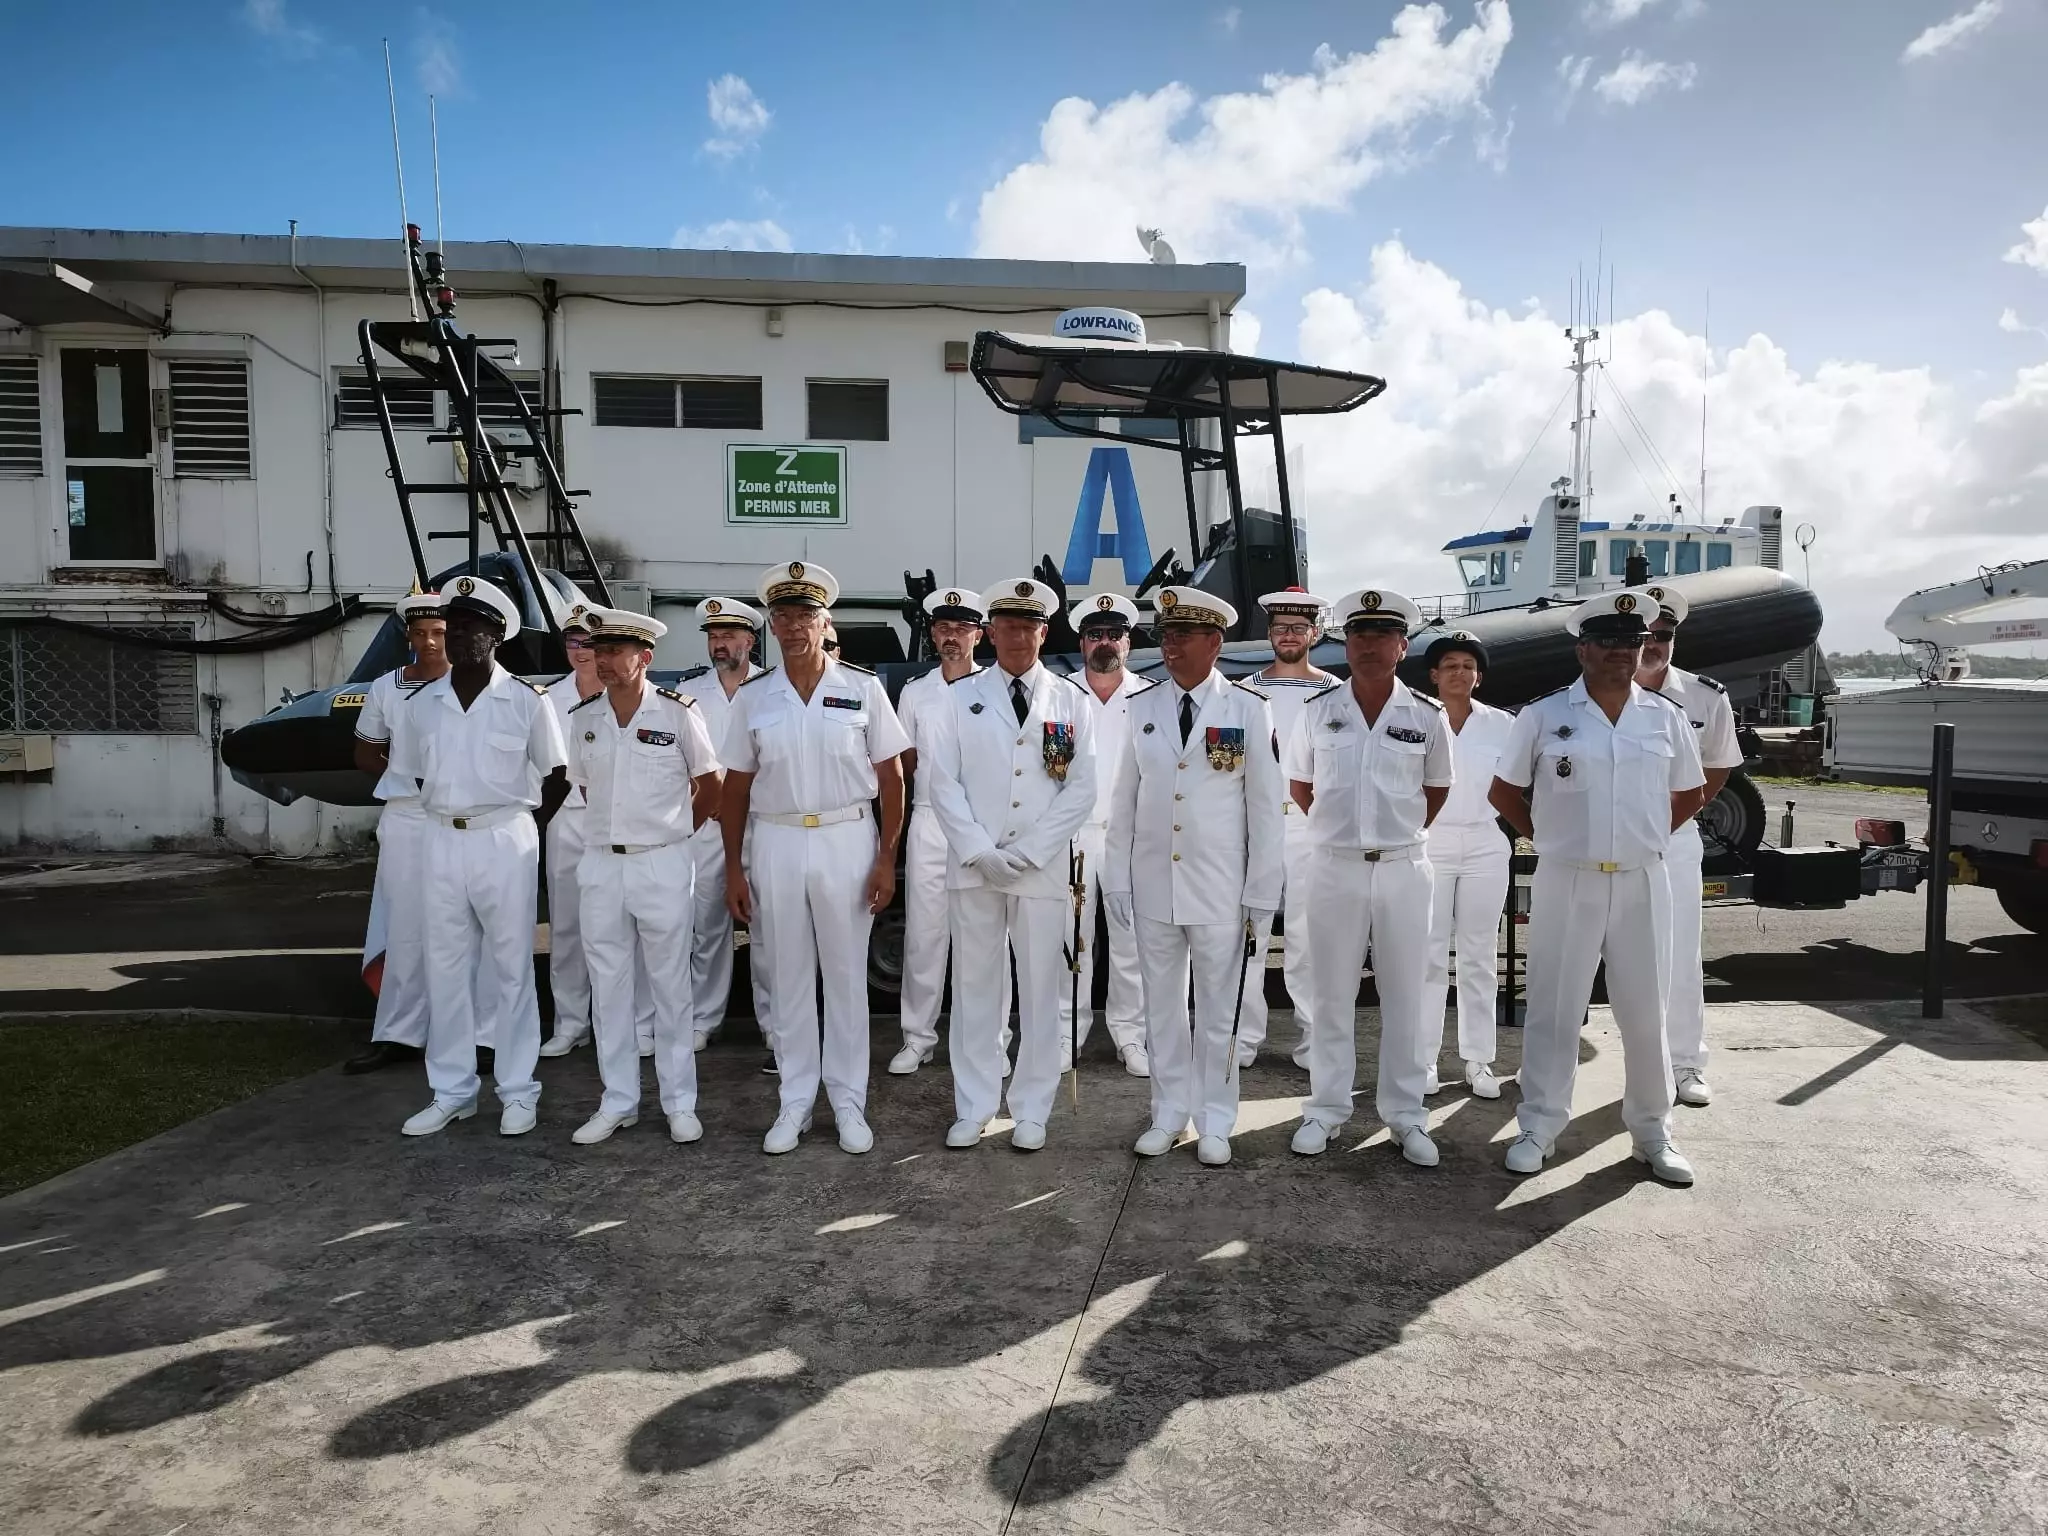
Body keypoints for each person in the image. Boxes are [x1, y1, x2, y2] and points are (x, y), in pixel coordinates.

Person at [1488, 589, 1708, 1186]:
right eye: (1608, 642)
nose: (1621, 653)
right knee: (1555, 1012)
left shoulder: (1664, 718)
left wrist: (1644, 836)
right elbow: (1503, 792)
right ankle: (1538, 1124)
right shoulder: (1544, 715)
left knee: (1646, 1011)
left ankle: (1652, 1130)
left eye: (1632, 643)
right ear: (1583, 648)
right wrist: (1551, 838)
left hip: (1642, 879)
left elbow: (1691, 792)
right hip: (1567, 879)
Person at [721, 562, 908, 1155]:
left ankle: (849, 1099)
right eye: (783, 615)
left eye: (806, 614)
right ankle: (795, 1100)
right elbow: (735, 787)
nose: (794, 625)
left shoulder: (862, 688)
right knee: (788, 973)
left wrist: (886, 856)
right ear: (771, 627)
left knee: (848, 975)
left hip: (845, 836)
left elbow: (893, 775)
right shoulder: (754, 697)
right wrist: (733, 866)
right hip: (775, 840)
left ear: (825, 622)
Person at [1103, 587, 1282, 1167]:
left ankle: (1215, 1119)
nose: (1170, 646)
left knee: (1217, 1012)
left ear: (1215, 642)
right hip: (1155, 884)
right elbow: (1125, 800)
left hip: (1220, 890)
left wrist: (1261, 890)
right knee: (1162, 1011)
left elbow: (1265, 809)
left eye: (1183, 636)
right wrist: (1117, 878)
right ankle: (1167, 1113)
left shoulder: (1249, 710)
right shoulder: (1143, 706)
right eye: (1166, 635)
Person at [389, 574, 569, 1138]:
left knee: (511, 969)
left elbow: (557, 777)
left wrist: (521, 826)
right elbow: (418, 770)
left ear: (498, 636)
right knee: (445, 967)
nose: (458, 636)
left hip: (504, 838)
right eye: (452, 626)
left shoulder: (525, 701)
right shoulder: (424, 705)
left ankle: (518, 1091)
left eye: (471, 628)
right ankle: (452, 1090)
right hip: (441, 837)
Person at [923, 578, 1097, 1152]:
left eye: (1028, 626)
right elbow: (942, 783)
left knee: (1041, 990)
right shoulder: (956, 698)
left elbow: (1080, 789)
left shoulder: (1072, 700)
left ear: (1044, 632)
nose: (1017, 636)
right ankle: (973, 1106)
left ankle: (1031, 1109)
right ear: (990, 632)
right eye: (1007, 626)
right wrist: (978, 850)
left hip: (1039, 869)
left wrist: (1027, 852)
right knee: (974, 990)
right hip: (975, 867)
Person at [1284, 589, 1453, 1169]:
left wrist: (1391, 835)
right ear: (1345, 645)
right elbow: (1301, 784)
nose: (1368, 646)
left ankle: (1405, 1114)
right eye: (1358, 636)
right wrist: (1345, 834)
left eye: (1381, 636)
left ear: (1402, 646)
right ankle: (1326, 1109)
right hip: (1334, 867)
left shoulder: (1426, 717)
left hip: (1404, 868)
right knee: (1332, 993)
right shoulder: (1317, 711)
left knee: (1406, 994)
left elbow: (1436, 792)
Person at [567, 608, 723, 1146]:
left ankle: (680, 1102)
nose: (604, 660)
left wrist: (675, 832)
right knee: (608, 988)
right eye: (600, 650)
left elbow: (711, 783)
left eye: (616, 651)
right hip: (602, 862)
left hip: (661, 860)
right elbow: (587, 788)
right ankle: (618, 1100)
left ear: (645, 657)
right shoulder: (584, 718)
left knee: (670, 987)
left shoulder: (678, 713)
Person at [1634, 583, 1742, 1109]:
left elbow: (1719, 762)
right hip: (1607, 840)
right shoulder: (1593, 690)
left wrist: (1682, 813)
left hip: (1673, 840)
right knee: (1593, 953)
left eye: (1664, 635)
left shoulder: (1705, 697)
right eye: (1645, 634)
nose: (1654, 643)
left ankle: (1684, 1063)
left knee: (1679, 952)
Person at [346, 588, 447, 1074]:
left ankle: (461, 1032)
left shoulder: (476, 685)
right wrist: (404, 770)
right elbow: (365, 753)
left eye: (440, 633)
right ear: (408, 635)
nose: (430, 642)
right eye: (421, 633)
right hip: (407, 813)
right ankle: (399, 1033)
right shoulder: (387, 687)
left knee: (460, 924)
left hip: (457, 815)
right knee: (403, 926)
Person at [888, 586, 987, 1075]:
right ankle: (917, 1037)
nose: (951, 637)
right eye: (944, 628)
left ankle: (987, 1038)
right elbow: (904, 764)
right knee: (924, 936)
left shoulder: (993, 690)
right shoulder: (916, 692)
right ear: (933, 633)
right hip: (929, 821)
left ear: (978, 634)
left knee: (982, 937)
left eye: (962, 628)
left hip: (978, 823)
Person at [1242, 587, 1338, 1071]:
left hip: (1311, 827)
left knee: (1308, 938)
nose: (1288, 636)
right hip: (1254, 827)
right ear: (1270, 633)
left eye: (1298, 628)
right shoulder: (1244, 691)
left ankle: (1312, 1037)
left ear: (1314, 634)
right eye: (1280, 628)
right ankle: (1241, 1038)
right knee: (1247, 936)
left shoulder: (1335, 693)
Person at [1420, 632, 1516, 1099]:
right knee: (1428, 956)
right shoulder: (1417, 720)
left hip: (1484, 841)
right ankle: (1423, 1061)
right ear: (1434, 676)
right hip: (1430, 842)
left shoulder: (1503, 725)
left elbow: (1520, 784)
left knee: (1480, 955)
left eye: (1468, 666)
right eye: (1450, 665)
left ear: (1479, 677)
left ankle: (1479, 1060)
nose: (1459, 673)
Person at [673, 596, 768, 1052]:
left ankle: (773, 1023)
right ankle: (703, 1018)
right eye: (713, 637)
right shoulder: (692, 694)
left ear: (750, 640)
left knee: (769, 929)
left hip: (764, 823)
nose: (720, 644)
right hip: (710, 826)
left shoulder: (772, 687)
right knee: (705, 927)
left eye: (729, 636)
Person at [1063, 592, 1150, 1078]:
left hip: (1130, 837)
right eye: (1095, 634)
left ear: (1128, 641)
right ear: (1081, 642)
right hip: (1071, 836)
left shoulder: (1148, 695)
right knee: (1070, 941)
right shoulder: (1057, 694)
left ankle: (1131, 1036)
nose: (1104, 642)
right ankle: (1065, 1033)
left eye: (1113, 634)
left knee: (1132, 941)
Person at [537, 606, 602, 1058]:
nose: (580, 651)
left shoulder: (626, 693)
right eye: (572, 642)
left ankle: (633, 1022)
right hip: (566, 817)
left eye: (589, 642)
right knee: (567, 926)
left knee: (623, 925)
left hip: (616, 821)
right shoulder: (547, 698)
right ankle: (571, 1022)